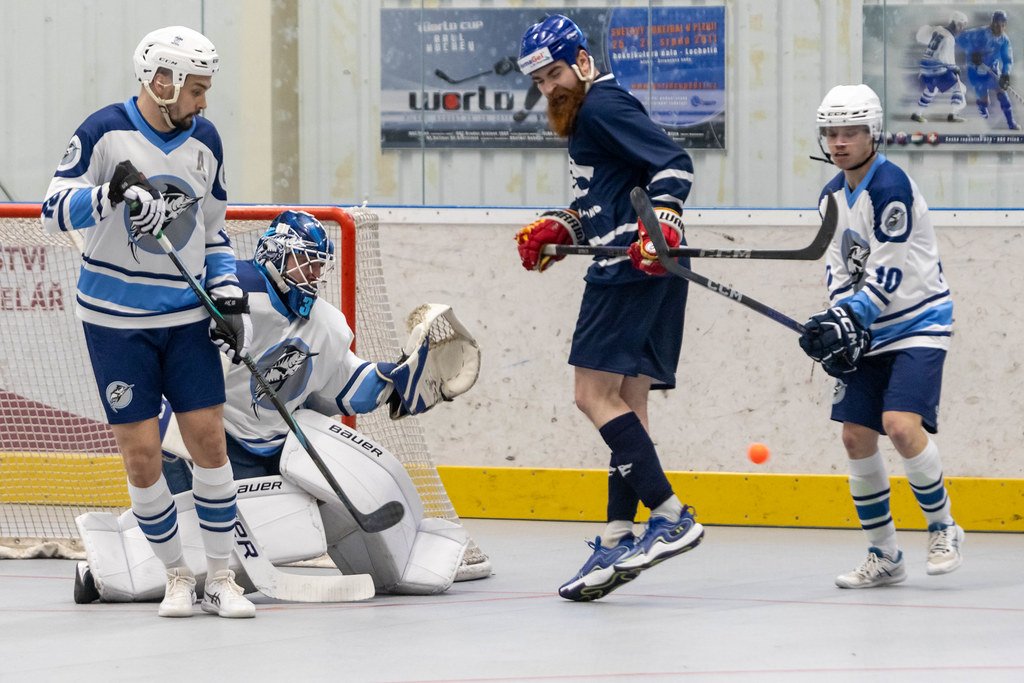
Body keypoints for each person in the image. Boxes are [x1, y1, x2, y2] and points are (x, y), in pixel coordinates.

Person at [73, 210, 476, 604]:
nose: (313, 276)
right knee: (184, 555)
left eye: (318, 267)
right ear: (275, 256)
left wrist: (397, 381)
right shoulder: (230, 295)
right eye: (304, 263)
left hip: (270, 453)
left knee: (267, 542)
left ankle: (406, 553)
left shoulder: (327, 324)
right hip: (201, 440)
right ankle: (103, 569)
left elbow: (344, 385)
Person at [40, 26, 255, 618]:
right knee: (141, 455)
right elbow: (51, 208)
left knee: (210, 442)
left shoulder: (205, 139)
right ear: (162, 80)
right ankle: (178, 575)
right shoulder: (103, 131)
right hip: (113, 320)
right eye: (196, 88)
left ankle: (220, 577)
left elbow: (213, 230)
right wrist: (109, 192)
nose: (203, 101)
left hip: (185, 318)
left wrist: (228, 295)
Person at [514, 14, 704, 602]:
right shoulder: (588, 114)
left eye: (554, 73)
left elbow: (674, 165)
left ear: (583, 61)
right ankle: (620, 531)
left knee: (591, 396)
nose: (549, 88)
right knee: (627, 404)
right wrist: (563, 226)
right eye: (540, 81)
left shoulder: (600, 107)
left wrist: (663, 221)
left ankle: (671, 515)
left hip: (630, 267)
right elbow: (604, 196)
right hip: (643, 264)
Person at [799, 84, 963, 589]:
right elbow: (835, 266)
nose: (840, 141)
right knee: (854, 436)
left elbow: (888, 274)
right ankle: (885, 554)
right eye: (831, 132)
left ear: (872, 134)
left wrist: (852, 317)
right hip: (869, 332)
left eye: (850, 131)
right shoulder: (830, 194)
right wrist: (837, 317)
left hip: (918, 323)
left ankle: (944, 528)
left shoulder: (890, 187)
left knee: (900, 425)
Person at [955, 10, 1019, 130]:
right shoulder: (979, 33)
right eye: (996, 24)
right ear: (991, 23)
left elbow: (1007, 59)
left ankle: (1011, 123)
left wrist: (1005, 74)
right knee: (985, 101)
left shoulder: (1004, 40)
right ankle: (983, 107)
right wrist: (971, 52)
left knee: (1003, 95)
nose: (999, 28)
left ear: (1005, 25)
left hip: (993, 71)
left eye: (1002, 24)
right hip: (975, 73)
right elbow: (960, 38)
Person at [910, 11, 969, 123]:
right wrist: (954, 68)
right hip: (936, 68)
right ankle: (954, 115)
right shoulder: (949, 39)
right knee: (960, 88)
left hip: (924, 66)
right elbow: (945, 59)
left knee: (931, 90)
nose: (962, 29)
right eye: (962, 25)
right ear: (958, 23)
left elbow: (922, 36)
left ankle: (917, 114)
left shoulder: (938, 29)